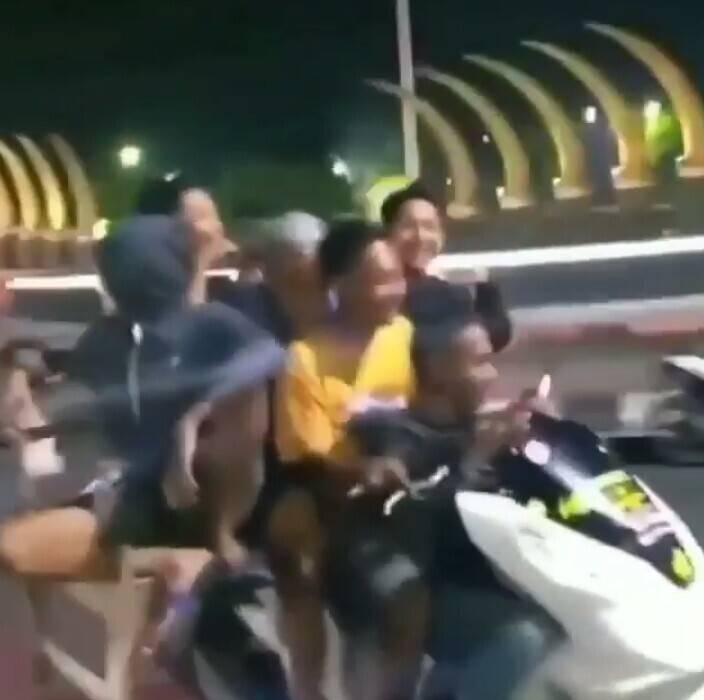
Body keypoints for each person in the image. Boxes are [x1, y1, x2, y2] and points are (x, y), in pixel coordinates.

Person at [335, 312, 556, 699]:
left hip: (472, 579)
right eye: (480, 362)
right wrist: (476, 460)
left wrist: (548, 435)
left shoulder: (479, 425)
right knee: (524, 634)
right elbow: (418, 504)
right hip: (410, 585)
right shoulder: (393, 433)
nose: (491, 375)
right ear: (438, 370)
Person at [267, 218, 414, 700]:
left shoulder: (404, 336)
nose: (395, 290)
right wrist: (365, 472)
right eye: (380, 280)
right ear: (340, 286)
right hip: (336, 504)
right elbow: (310, 459)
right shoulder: (305, 359)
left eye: (397, 276)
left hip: (410, 495)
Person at [381, 180, 512, 352]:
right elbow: (491, 335)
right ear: (387, 233)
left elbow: (495, 337)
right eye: (408, 226)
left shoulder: (438, 287)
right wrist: (486, 291)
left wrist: (485, 289)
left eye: (429, 227)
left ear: (441, 235)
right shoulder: (382, 290)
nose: (420, 236)